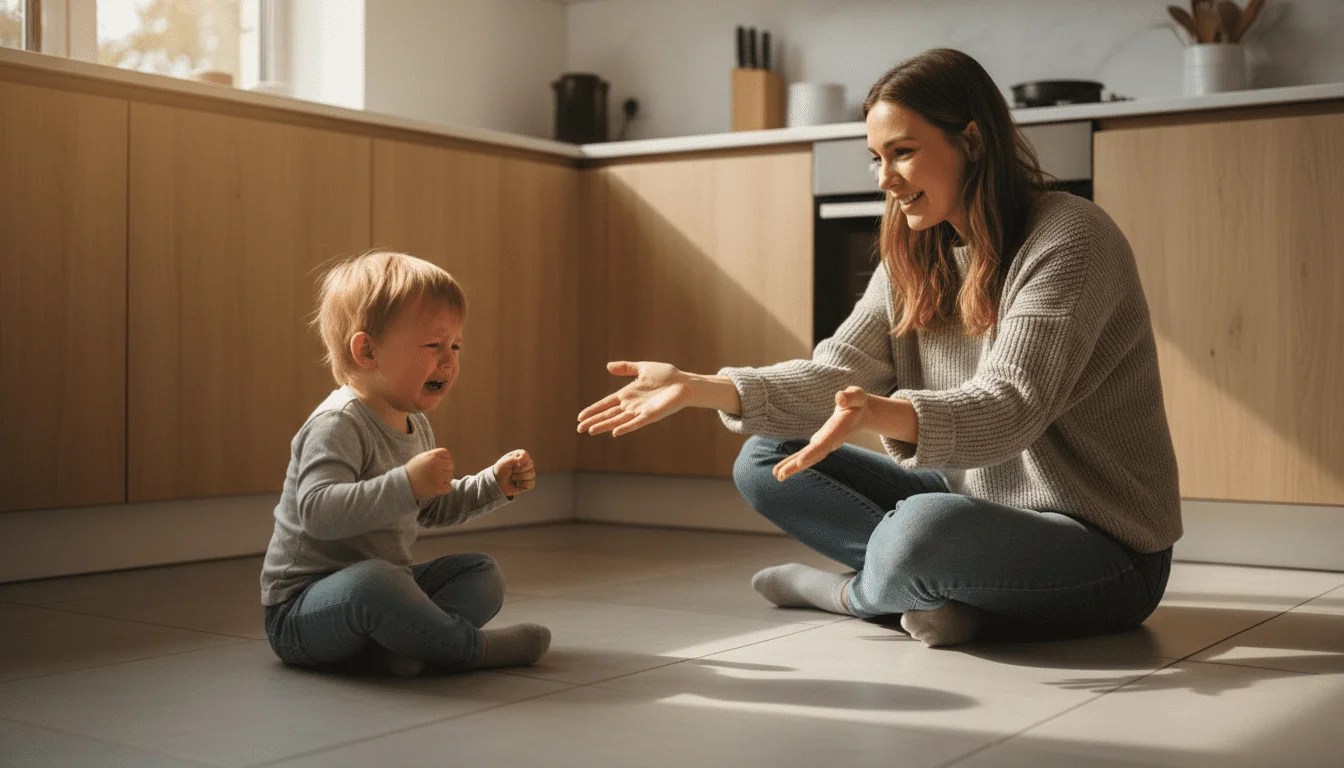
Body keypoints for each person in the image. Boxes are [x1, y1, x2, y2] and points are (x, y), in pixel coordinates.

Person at [576, 48, 1180, 648]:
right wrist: (701, 386)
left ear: (971, 141)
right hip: (971, 505)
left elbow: (1010, 407)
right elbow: (834, 372)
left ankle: (853, 594)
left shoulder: (1069, 238)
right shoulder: (916, 257)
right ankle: (940, 591)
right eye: (876, 158)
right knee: (764, 459)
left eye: (903, 153)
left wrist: (880, 411)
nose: (884, 179)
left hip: (1107, 550)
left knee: (922, 528)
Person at [261, 249, 549, 676]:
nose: (449, 360)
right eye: (433, 345)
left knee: (480, 573)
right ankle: (468, 649)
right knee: (376, 581)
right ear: (367, 351)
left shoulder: (414, 423)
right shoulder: (338, 424)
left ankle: (402, 648)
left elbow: (428, 508)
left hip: (381, 590)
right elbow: (318, 513)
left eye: (455, 344)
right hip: (304, 612)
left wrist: (493, 484)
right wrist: (407, 484)